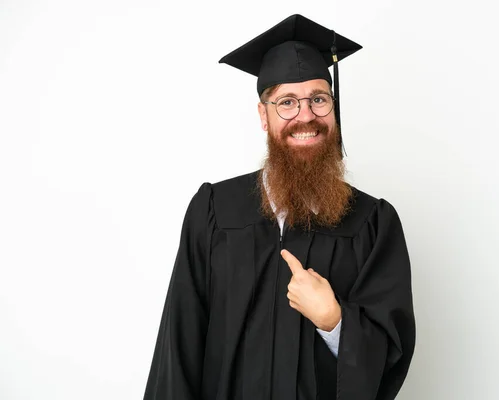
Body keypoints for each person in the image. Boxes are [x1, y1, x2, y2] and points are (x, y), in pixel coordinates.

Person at [143, 14, 415, 400]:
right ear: (263, 116)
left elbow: (392, 353)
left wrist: (334, 321)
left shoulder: (372, 222)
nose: (306, 116)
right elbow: (179, 346)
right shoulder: (215, 211)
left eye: (319, 99)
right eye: (287, 102)